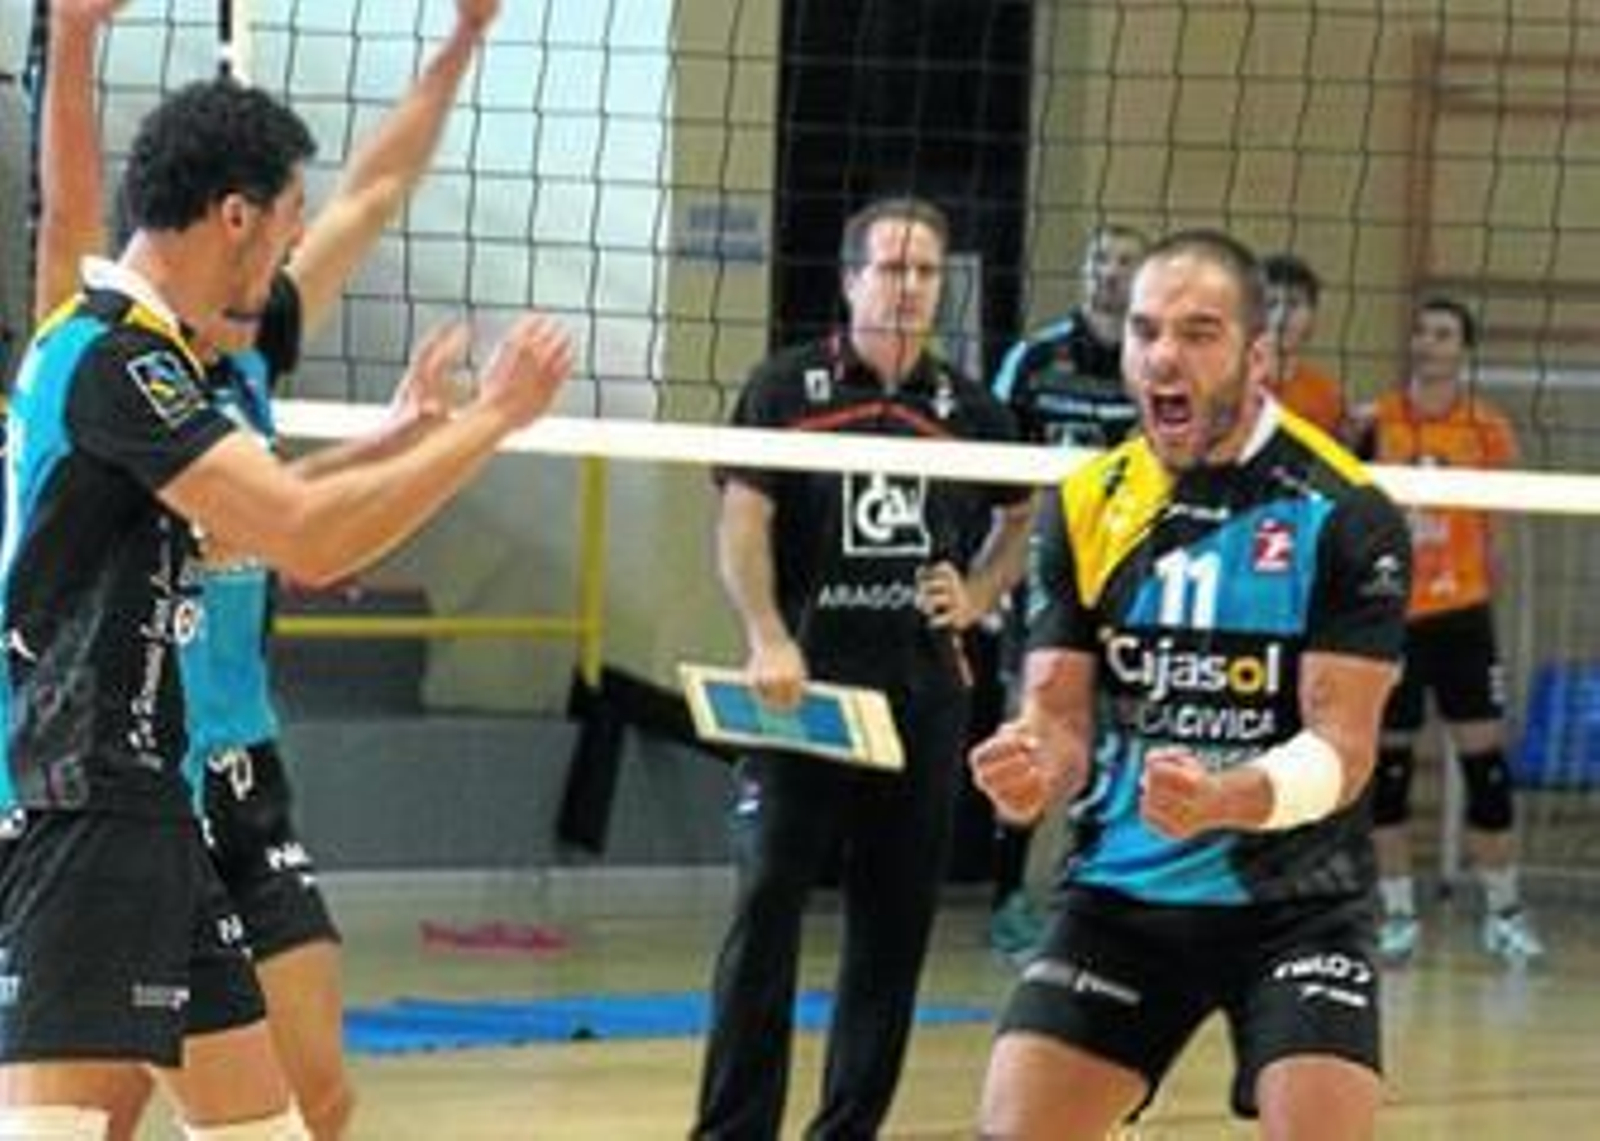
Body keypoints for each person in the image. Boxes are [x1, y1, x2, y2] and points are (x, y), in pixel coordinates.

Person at [0, 78, 570, 1139]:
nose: (289, 252)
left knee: (277, 1122)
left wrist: (398, 443)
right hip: (79, 797)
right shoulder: (117, 356)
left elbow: (248, 535)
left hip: (155, 802)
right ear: (235, 215)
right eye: (289, 221)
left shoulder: (149, 357)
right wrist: (492, 420)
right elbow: (307, 535)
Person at [970, 229, 1413, 1139]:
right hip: (1123, 897)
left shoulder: (1344, 513)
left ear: (1259, 356)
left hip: (1299, 903)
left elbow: (1344, 748)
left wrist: (1225, 796)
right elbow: (1056, 715)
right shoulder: (1084, 504)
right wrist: (1033, 765)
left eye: (1199, 332)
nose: (1163, 356)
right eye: (1145, 331)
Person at [693, 195, 1034, 1140]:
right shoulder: (784, 388)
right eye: (890, 268)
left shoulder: (973, 410)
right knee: (764, 910)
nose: (910, 286)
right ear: (850, 280)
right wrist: (766, 632)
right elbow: (742, 520)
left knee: (892, 931)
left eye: (926, 271)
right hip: (801, 696)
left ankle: (847, 1128)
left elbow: (1023, 517)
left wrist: (979, 591)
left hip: (921, 700)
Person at [1358, 296, 1543, 966]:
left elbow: (1498, 534)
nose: (1429, 343)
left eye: (1443, 334)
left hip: (1463, 616)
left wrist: (1488, 591)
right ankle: (1398, 914)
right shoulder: (1374, 420)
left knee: (1486, 770)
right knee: (1388, 772)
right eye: (1422, 331)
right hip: (1392, 617)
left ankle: (1504, 911)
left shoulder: (1486, 427)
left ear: (1463, 350)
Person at [983, 222, 1149, 958]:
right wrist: (991, 570)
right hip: (1044, 578)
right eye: (1099, 258)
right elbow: (991, 470)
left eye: (1124, 261)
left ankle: (1087, 896)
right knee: (1031, 734)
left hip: (1128, 580)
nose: (1109, 272)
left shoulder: (1151, 362)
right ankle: (1006, 899)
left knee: (1114, 743)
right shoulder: (1036, 360)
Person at [1261, 252, 1346, 436]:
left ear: (1312, 316)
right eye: (1271, 304)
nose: (1281, 316)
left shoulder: (1327, 395)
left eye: (1293, 304)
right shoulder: (1229, 387)